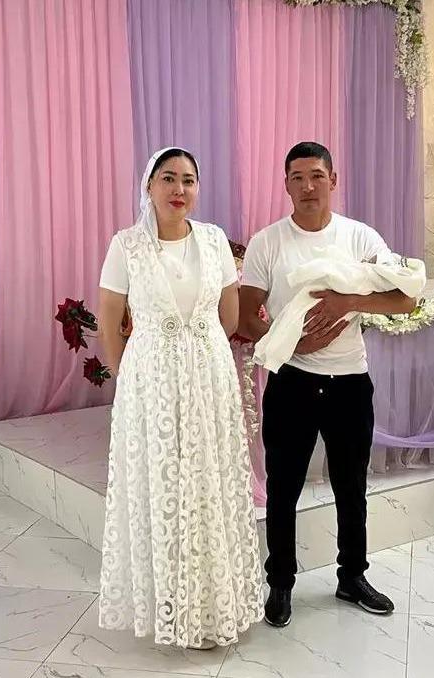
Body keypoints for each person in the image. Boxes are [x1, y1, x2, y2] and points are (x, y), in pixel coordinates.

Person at [238, 141, 416, 627]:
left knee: (351, 486)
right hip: (291, 381)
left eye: (317, 175)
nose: (308, 186)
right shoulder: (268, 243)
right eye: (297, 177)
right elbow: (244, 316)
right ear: (286, 185)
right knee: (283, 488)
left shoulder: (359, 237)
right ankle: (280, 583)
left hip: (349, 382)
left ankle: (352, 576)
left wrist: (346, 302)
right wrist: (291, 342)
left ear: (333, 180)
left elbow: (405, 300)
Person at [97, 147, 264, 649]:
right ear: (149, 187)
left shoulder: (213, 240)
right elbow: (109, 322)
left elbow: (228, 316)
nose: (179, 189)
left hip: (209, 379)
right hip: (150, 383)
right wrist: (132, 378)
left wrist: (198, 349)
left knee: (209, 482)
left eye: (188, 180)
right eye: (168, 178)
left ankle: (212, 606)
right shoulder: (126, 245)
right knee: (163, 485)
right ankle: (170, 607)